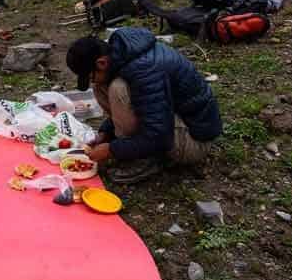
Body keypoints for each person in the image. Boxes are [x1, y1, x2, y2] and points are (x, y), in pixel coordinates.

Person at [65, 27, 222, 184]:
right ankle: (134, 148)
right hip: (170, 123)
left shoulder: (145, 71)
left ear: (102, 62)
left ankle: (146, 159)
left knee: (117, 88)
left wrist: (112, 150)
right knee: (101, 85)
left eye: (90, 75)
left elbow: (158, 135)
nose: (92, 80)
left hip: (193, 141)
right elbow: (144, 106)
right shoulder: (122, 55)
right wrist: (106, 133)